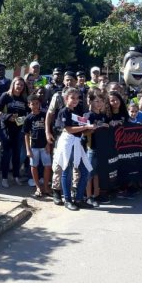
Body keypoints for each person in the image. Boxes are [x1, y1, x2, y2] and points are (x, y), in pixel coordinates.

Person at [45, 71, 82, 205]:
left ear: (75, 81)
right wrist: (47, 132)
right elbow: (49, 115)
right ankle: (56, 191)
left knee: (74, 164)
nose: (68, 82)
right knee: (59, 164)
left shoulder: (79, 96)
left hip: (76, 136)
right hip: (60, 134)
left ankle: (73, 190)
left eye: (71, 80)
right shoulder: (58, 96)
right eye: (66, 80)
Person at [54, 88, 94, 211]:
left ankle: (79, 198)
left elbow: (82, 129)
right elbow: (69, 129)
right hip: (67, 142)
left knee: (85, 170)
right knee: (67, 169)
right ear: (66, 99)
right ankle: (67, 200)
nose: (75, 100)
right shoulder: (63, 111)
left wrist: (92, 128)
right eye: (72, 98)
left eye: (77, 98)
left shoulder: (76, 112)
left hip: (77, 142)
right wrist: (86, 127)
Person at [0, 76, 28, 187]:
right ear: (13, 84)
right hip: (6, 129)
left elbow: (27, 116)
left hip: (18, 129)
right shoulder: (6, 96)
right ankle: (4, 178)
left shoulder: (24, 99)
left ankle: (16, 176)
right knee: (6, 154)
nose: (20, 87)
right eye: (18, 84)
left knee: (17, 155)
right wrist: (7, 117)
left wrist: (18, 120)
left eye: (22, 85)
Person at [84, 90, 110, 207]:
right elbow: (84, 132)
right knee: (89, 173)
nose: (99, 104)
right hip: (91, 148)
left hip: (101, 148)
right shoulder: (88, 115)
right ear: (91, 102)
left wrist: (108, 125)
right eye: (96, 101)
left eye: (101, 101)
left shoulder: (103, 115)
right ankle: (88, 197)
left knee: (97, 174)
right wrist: (97, 127)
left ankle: (96, 195)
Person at [24, 94, 51, 197]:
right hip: (34, 146)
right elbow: (26, 135)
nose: (35, 106)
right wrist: (28, 149)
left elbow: (49, 131)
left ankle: (46, 187)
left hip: (44, 146)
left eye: (37, 103)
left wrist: (48, 144)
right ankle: (38, 188)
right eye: (32, 104)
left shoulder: (44, 115)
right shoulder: (28, 118)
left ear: (39, 104)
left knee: (47, 166)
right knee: (33, 166)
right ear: (29, 105)